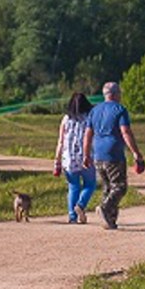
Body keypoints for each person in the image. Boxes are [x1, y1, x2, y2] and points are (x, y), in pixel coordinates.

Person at [82, 81, 145, 230]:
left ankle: (110, 220)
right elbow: (125, 132)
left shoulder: (95, 110)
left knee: (107, 187)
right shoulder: (120, 110)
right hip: (114, 153)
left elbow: (87, 134)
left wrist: (86, 154)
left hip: (98, 153)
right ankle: (105, 207)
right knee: (120, 187)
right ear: (116, 94)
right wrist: (136, 152)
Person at [54, 92, 97, 224]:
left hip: (69, 159)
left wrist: (57, 161)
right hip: (86, 156)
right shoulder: (90, 117)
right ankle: (81, 204)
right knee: (90, 184)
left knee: (73, 187)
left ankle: (72, 216)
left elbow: (61, 141)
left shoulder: (66, 119)